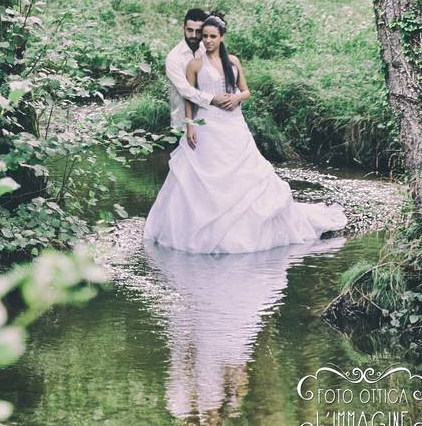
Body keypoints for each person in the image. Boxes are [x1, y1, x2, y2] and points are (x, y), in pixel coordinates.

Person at [144, 13, 347, 253]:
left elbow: (246, 91)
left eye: (211, 36)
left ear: (221, 37)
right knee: (199, 174)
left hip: (232, 124)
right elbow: (188, 95)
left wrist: (238, 97)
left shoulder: (233, 61)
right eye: (203, 36)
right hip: (207, 123)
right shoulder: (193, 64)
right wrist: (191, 125)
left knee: (245, 173)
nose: (206, 40)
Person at [165, 8, 238, 134]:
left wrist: (233, 98)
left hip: (211, 119)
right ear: (183, 28)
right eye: (189, 30)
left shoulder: (207, 48)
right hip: (183, 123)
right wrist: (214, 99)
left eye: (198, 31)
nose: (193, 35)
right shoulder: (174, 57)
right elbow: (186, 91)